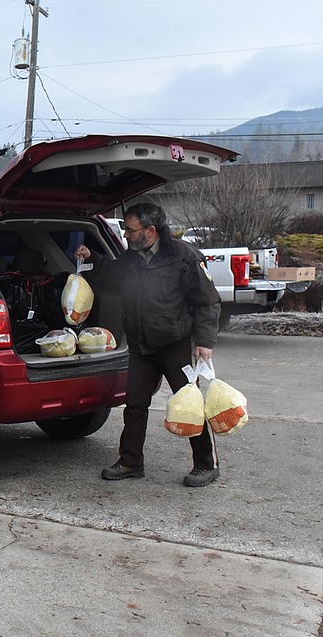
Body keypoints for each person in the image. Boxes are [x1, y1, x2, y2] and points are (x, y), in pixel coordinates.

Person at [76, 202, 222, 487]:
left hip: (175, 343)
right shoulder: (131, 258)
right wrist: (91, 256)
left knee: (190, 403)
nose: (126, 235)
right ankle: (131, 462)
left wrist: (204, 342)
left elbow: (207, 301)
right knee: (135, 405)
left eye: (131, 230)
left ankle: (206, 464)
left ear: (151, 231)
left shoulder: (183, 257)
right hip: (141, 346)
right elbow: (111, 277)